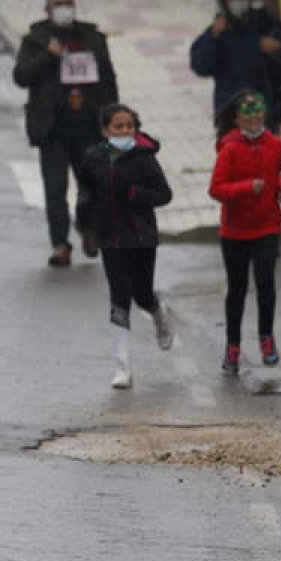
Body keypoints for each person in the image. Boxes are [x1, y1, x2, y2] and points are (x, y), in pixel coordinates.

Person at [13, 0, 119, 267]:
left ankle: (89, 229)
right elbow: (21, 76)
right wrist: (49, 55)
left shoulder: (92, 38)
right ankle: (60, 243)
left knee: (91, 186)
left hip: (87, 125)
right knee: (55, 189)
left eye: (69, 3)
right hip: (52, 128)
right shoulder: (36, 40)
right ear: (48, 10)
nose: (64, 8)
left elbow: (108, 80)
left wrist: (112, 120)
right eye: (58, 3)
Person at [78, 104, 174, 389]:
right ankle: (122, 366)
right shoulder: (93, 158)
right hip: (111, 238)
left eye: (129, 126)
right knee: (119, 298)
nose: (124, 132)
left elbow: (164, 194)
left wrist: (134, 194)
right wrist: (87, 225)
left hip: (141, 237)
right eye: (118, 127)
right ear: (105, 130)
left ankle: (159, 314)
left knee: (142, 294)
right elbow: (86, 192)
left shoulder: (144, 159)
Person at [208, 90, 281, 374]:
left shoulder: (275, 144)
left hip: (267, 225)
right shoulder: (229, 148)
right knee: (238, 289)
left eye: (258, 113)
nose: (254, 118)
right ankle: (233, 346)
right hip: (235, 230)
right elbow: (216, 189)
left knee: (266, 282)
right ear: (237, 118)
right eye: (248, 114)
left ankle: (266, 337)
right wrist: (246, 188)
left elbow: (274, 173)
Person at [190, 0, 281, 134]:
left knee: (267, 158)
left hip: (266, 110)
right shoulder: (218, 31)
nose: (239, 0)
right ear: (224, 0)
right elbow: (200, 66)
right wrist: (213, 36)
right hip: (230, 114)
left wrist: (279, 46)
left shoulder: (265, 22)